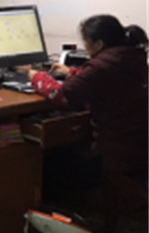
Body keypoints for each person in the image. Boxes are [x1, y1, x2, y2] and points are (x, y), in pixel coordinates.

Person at [27, 15, 149, 178]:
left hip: (116, 153)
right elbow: (103, 79)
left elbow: (60, 94)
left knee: (55, 157)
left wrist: (36, 76)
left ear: (99, 44)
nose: (84, 46)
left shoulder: (100, 67)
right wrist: (71, 72)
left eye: (86, 41)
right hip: (138, 146)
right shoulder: (131, 57)